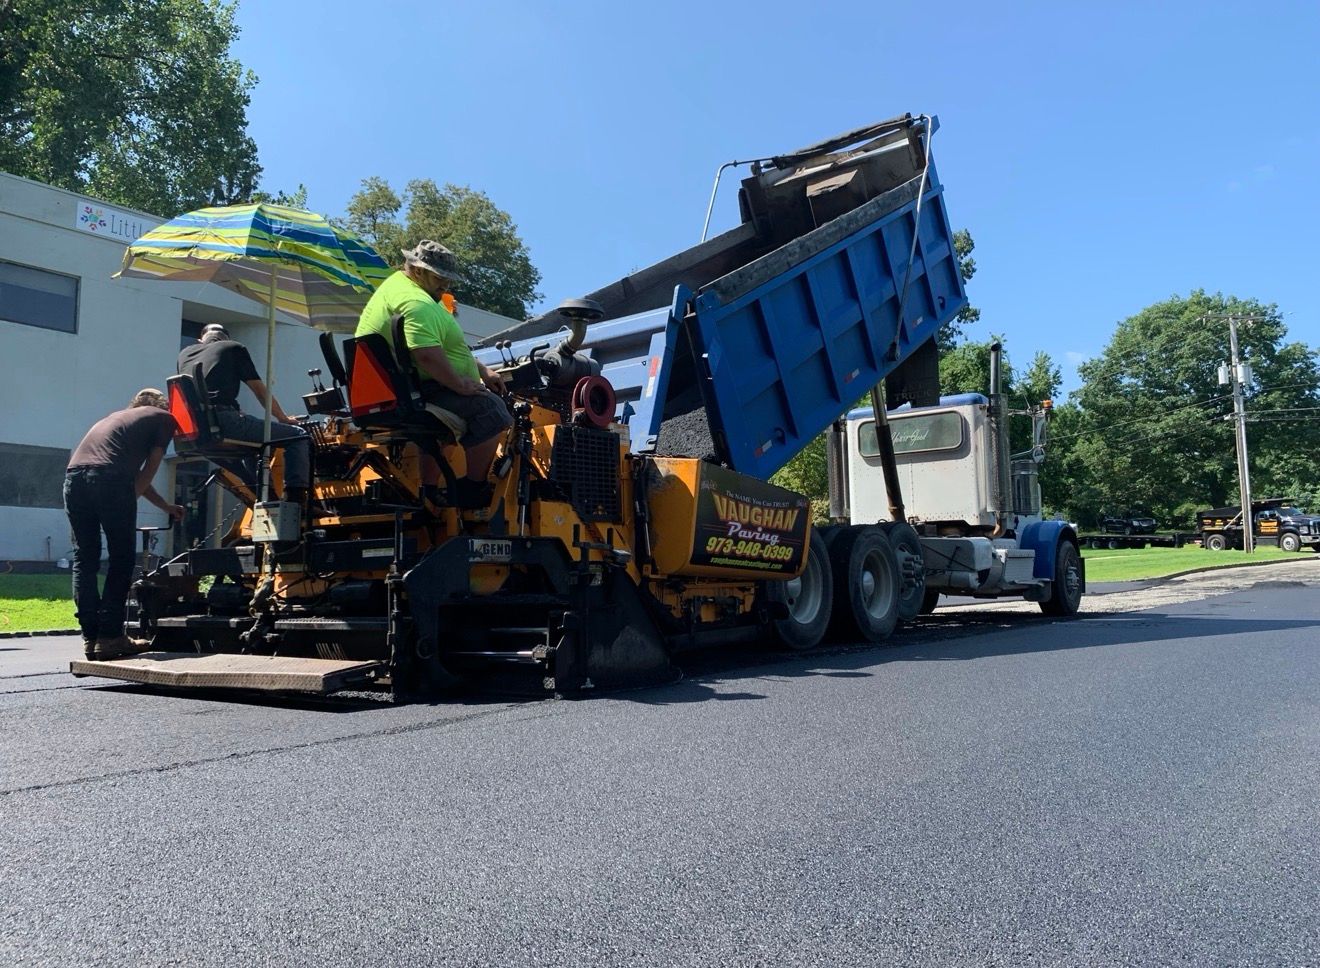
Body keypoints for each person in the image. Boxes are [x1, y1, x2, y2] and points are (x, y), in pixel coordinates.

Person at [354, 240, 512, 508]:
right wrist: (460, 385)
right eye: (440, 278)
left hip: (402, 386)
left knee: (444, 426)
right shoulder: (416, 303)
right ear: (417, 270)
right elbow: (426, 354)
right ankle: (472, 490)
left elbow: (445, 348)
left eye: (449, 280)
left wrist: (482, 370)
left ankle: (428, 490)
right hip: (414, 389)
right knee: (493, 411)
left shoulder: (401, 286)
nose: (446, 286)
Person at [65, 389, 185, 660]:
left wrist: (164, 506)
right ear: (162, 405)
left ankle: (91, 638)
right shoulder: (164, 418)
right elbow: (151, 468)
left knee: (84, 559)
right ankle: (110, 637)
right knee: (121, 559)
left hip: (74, 479)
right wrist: (124, 504)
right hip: (109, 481)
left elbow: (130, 474)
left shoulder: (117, 419)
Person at [177, 323, 311, 503]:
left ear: (201, 340)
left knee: (252, 450)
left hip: (194, 431)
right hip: (224, 422)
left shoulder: (184, 354)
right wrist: (283, 418)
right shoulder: (233, 347)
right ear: (226, 338)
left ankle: (269, 498)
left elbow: (201, 393)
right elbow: (259, 390)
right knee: (298, 436)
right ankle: (296, 498)